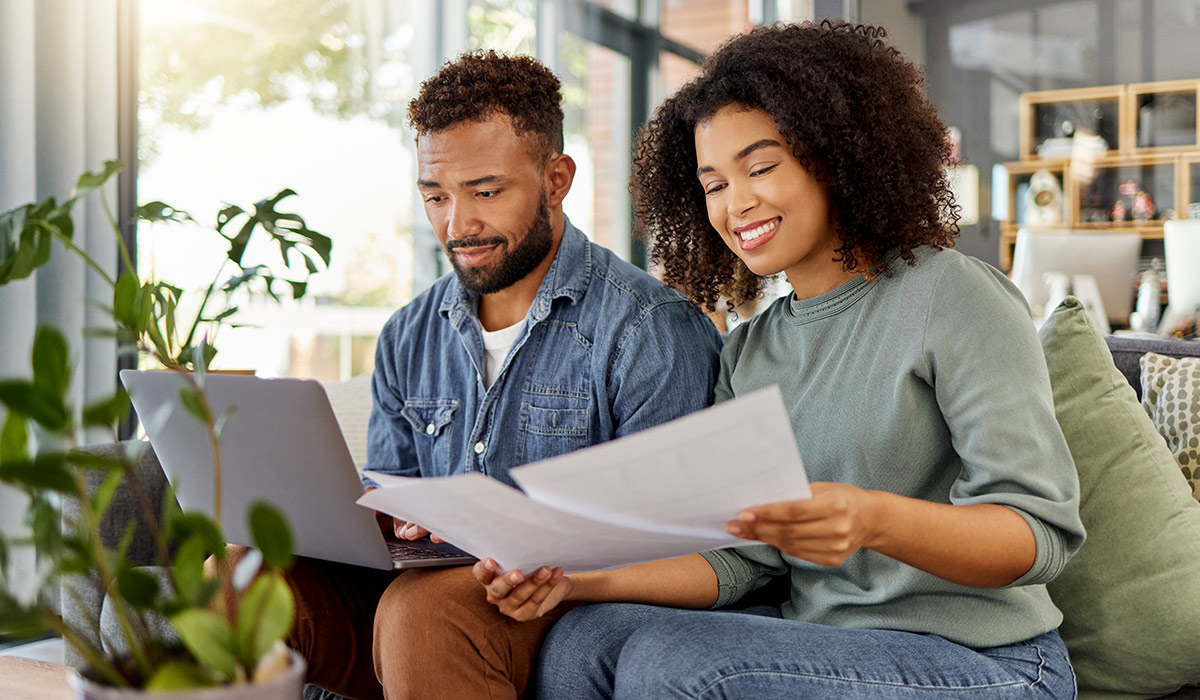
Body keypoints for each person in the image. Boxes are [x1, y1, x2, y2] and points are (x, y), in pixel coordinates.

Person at [473, 21, 1086, 699]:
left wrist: (875, 519)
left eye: (761, 167)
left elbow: (1039, 533)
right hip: (825, 645)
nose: (737, 204)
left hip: (989, 661)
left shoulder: (952, 294)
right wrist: (575, 580)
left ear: (837, 154)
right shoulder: (750, 350)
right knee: (578, 640)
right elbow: (746, 559)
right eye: (712, 184)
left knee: (673, 667)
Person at [248, 51, 723, 700]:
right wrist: (382, 518)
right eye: (435, 197)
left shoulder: (650, 330)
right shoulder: (410, 333)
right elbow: (399, 494)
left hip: (562, 608)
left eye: (486, 192)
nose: (457, 224)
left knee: (423, 611)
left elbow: (676, 543)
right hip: (425, 599)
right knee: (243, 573)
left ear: (556, 180)